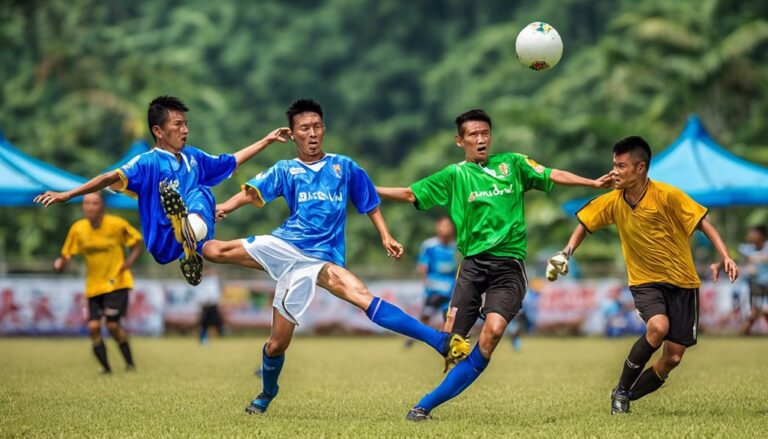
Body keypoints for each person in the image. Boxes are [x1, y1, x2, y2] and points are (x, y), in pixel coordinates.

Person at [203, 99, 471, 415]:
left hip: (322, 259)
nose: (313, 133)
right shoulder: (286, 170)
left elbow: (369, 201)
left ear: (324, 129)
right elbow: (251, 194)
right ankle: (267, 391)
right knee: (214, 251)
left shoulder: (343, 167)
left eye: (317, 127)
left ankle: (439, 341)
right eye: (305, 128)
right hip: (286, 245)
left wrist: (385, 235)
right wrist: (222, 208)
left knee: (361, 296)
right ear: (293, 134)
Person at [376, 108, 612, 421]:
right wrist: (365, 189)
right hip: (472, 267)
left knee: (494, 331)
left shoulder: (512, 164)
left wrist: (592, 183)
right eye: (473, 134)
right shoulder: (455, 175)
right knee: (453, 346)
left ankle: (424, 406)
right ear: (459, 140)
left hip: (508, 267)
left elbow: (551, 174)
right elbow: (409, 193)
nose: (481, 139)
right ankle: (448, 377)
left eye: (485, 133)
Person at [547, 136, 739, 414]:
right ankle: (622, 390)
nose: (615, 171)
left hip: (683, 282)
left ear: (641, 168)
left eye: (621, 166)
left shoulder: (667, 195)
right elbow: (585, 224)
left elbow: (703, 223)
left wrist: (726, 255)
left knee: (672, 358)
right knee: (658, 328)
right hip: (645, 281)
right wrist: (565, 252)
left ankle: (624, 395)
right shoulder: (612, 201)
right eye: (614, 165)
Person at [34, 95, 291, 286]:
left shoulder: (194, 158)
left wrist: (267, 140)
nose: (185, 130)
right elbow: (109, 177)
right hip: (161, 239)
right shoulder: (148, 162)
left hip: (189, 237)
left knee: (205, 202)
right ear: (158, 131)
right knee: (203, 193)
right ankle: (188, 229)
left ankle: (190, 240)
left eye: (186, 124)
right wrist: (68, 194)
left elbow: (232, 160)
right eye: (178, 124)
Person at [55, 192, 143, 373]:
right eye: (86, 203)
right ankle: (106, 368)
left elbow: (137, 243)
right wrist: (61, 262)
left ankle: (129, 363)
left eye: (94, 203)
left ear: (102, 206)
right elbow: (67, 253)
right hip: (94, 286)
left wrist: (127, 263)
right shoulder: (78, 229)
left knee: (112, 325)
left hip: (116, 282)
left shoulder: (117, 225)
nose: (90, 207)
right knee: (94, 327)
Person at [405, 216, 458, 348]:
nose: (446, 228)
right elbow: (422, 265)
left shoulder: (456, 246)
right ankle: (413, 337)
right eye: (443, 225)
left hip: (451, 288)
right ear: (437, 228)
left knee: (450, 318)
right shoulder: (430, 245)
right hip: (435, 288)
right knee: (426, 315)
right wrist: (425, 281)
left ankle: (448, 344)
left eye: (448, 225)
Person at [738, 225, 768, 335]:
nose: (751, 236)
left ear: (762, 235)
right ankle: (744, 332)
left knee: (759, 310)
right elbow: (744, 265)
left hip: (764, 285)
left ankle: (743, 332)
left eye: (754, 233)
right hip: (754, 286)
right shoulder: (747, 249)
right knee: (756, 311)